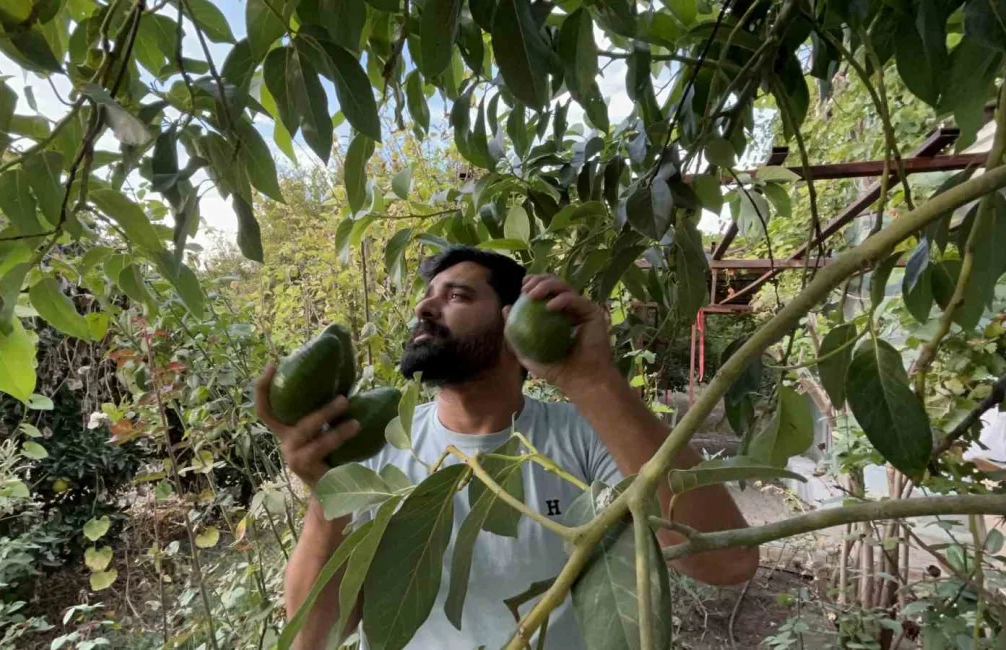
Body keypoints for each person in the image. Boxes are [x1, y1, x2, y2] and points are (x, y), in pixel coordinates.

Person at [255, 246, 758, 649]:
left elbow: (727, 562)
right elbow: (313, 637)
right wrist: (327, 497)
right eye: (427, 296)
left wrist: (592, 379)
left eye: (456, 296)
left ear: (512, 321)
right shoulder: (379, 444)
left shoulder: (585, 435)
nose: (424, 308)